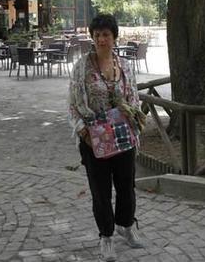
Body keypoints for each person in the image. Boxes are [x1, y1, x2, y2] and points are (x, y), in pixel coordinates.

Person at [68, 13, 146, 261]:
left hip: (123, 137)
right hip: (95, 139)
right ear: (92, 37)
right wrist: (82, 130)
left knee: (126, 187)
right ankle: (106, 235)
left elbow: (133, 97)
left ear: (114, 37)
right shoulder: (82, 67)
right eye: (97, 35)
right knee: (101, 191)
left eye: (106, 35)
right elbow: (73, 103)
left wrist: (133, 117)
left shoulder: (124, 66)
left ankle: (125, 225)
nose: (101, 39)